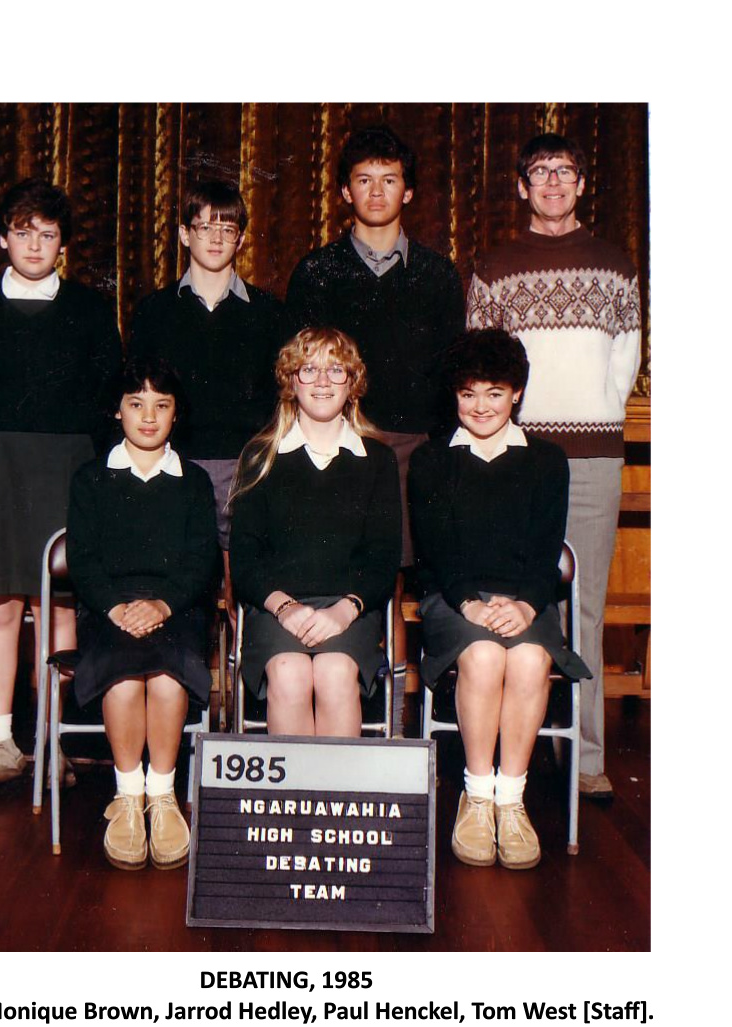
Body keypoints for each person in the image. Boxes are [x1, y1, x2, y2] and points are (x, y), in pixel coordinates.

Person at [466, 132, 641, 800]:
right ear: (522, 187)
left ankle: (585, 759)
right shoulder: (495, 266)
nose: (552, 183)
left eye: (564, 171)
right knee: (515, 597)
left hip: (592, 456)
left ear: (581, 183)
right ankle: (517, 750)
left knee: (584, 609)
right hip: (517, 460)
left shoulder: (614, 265)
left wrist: (594, 419)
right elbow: (482, 364)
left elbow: (624, 362)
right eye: (539, 172)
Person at [0, 178, 121, 787]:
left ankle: (51, 740)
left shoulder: (90, 310)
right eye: (23, 232)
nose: (35, 245)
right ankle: (1, 742)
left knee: (56, 603)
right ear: (2, 240)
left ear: (63, 244)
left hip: (65, 466)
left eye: (48, 234)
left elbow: (107, 395)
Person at [286, 125, 465, 730]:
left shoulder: (438, 275)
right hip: (340, 445)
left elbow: (451, 376)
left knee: (404, 581)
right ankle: (348, 715)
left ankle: (397, 723)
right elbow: (299, 368)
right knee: (352, 576)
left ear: (408, 192)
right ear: (345, 192)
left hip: (414, 448)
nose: (378, 191)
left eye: (390, 179)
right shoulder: (317, 272)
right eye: (364, 180)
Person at [409, 330, 591, 869]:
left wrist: (528, 605)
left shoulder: (546, 460)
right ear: (455, 395)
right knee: (485, 655)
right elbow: (435, 549)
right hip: (454, 600)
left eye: (494, 392)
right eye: (468, 393)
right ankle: (476, 795)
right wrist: (468, 603)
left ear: (516, 393)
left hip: (524, 600)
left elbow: (546, 549)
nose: (481, 406)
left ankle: (511, 800)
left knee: (530, 658)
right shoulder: (431, 460)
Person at [66, 358, 218, 870]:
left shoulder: (193, 481)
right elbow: (83, 559)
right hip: (108, 608)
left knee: (169, 680)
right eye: (136, 404)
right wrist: (115, 607)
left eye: (161, 405)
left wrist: (163, 604)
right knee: (125, 679)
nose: (148, 417)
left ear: (176, 414)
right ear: (118, 410)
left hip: (176, 606)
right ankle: (129, 795)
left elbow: (201, 560)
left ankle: (163, 794)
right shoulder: (91, 478)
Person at [229, 327, 401, 737]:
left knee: (335, 671)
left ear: (352, 383)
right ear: (291, 381)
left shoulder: (377, 459)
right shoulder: (260, 456)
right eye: (309, 369)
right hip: (277, 609)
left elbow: (383, 557)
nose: (322, 381)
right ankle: (294, 783)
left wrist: (344, 610)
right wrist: (286, 608)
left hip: (349, 610)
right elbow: (245, 560)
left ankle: (338, 783)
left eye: (335, 370)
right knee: (289, 673)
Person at [127, 179, 284, 622]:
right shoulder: (155, 311)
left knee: (244, 602)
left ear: (241, 239)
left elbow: (281, 400)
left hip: (247, 472)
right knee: (177, 599)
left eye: (227, 229)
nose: (216, 239)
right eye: (205, 227)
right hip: (176, 468)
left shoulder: (269, 313)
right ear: (184, 234)